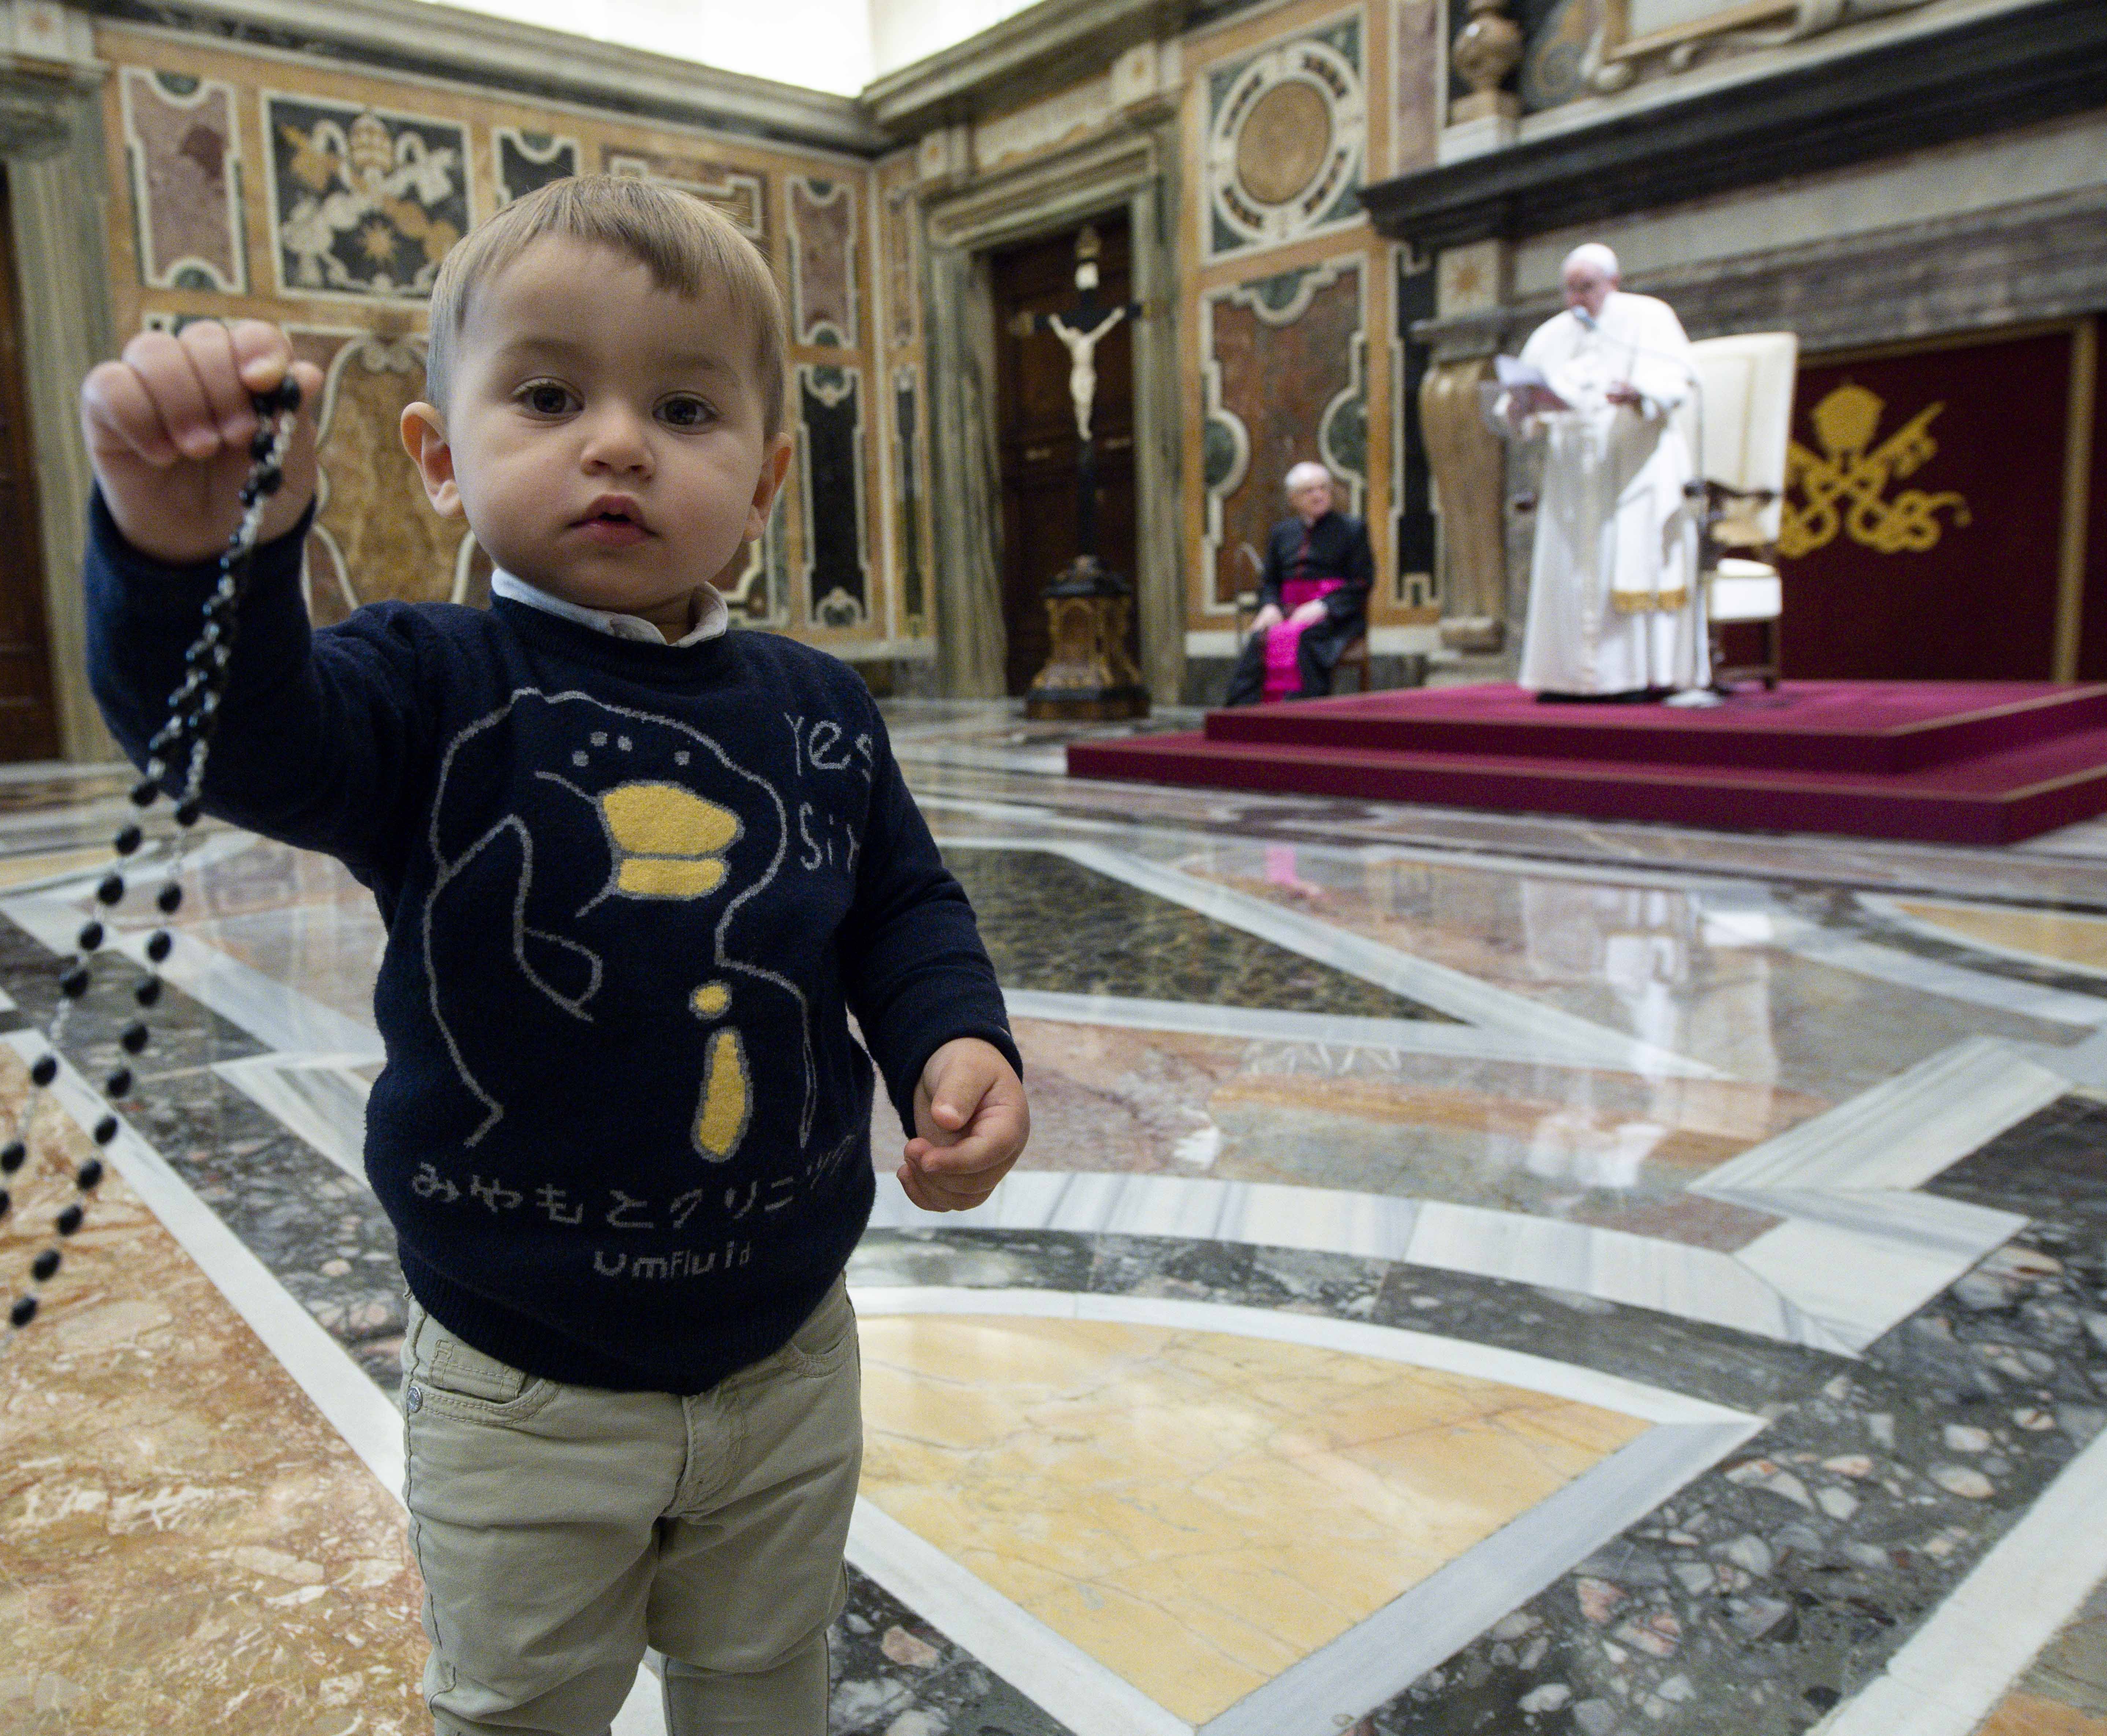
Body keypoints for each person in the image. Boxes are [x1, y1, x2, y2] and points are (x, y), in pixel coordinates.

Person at [78, 176, 1030, 1736]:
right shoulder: (424, 683)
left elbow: (899, 906)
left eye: (682, 406)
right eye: (547, 395)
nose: (616, 442)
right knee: (521, 1705)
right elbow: (240, 744)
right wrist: (199, 562)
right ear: (441, 460)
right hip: (523, 1378)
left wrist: (956, 1038)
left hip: (789, 1356)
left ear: (769, 476)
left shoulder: (817, 706)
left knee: (765, 1686)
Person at [1511, 243, 1708, 700]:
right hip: (1571, 480)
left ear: (1613, 284)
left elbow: (1679, 380)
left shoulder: (1648, 317)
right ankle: (1567, 680)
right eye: (1569, 290)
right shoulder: (1550, 335)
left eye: (1587, 288)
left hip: (1633, 469)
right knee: (1570, 572)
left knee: (1627, 562)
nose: (1577, 300)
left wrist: (1640, 393)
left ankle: (1636, 677)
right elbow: (1518, 400)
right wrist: (1521, 404)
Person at [1223, 461, 1374, 705]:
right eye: (1309, 491)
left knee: (1304, 640)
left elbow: (1362, 581)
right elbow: (1270, 581)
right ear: (1293, 498)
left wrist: (1323, 606)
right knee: (1260, 639)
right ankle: (1244, 717)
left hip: (1334, 617)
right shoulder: (1282, 533)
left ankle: (1301, 716)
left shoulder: (1352, 530)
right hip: (1287, 610)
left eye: (1323, 488)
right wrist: (1270, 605)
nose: (1318, 495)